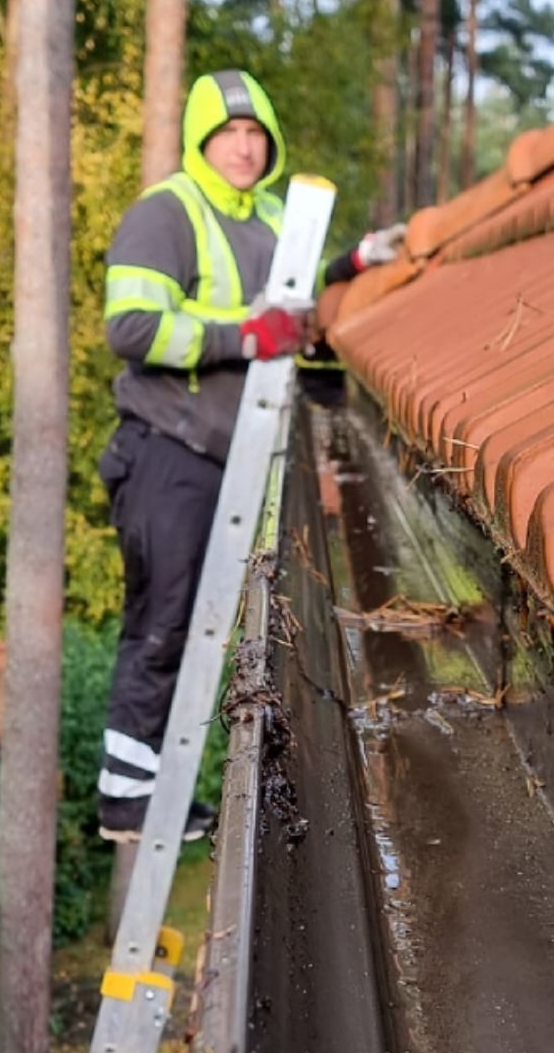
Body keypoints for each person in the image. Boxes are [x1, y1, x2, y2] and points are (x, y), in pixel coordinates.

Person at [95, 68, 401, 839]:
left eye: (254, 133)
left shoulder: (271, 216)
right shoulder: (165, 214)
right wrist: (242, 335)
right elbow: (131, 328)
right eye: (228, 133)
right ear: (202, 140)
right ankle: (126, 797)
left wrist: (352, 265)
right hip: (167, 449)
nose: (243, 146)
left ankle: (165, 793)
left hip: (231, 459)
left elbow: (290, 309)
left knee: (202, 624)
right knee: (163, 620)